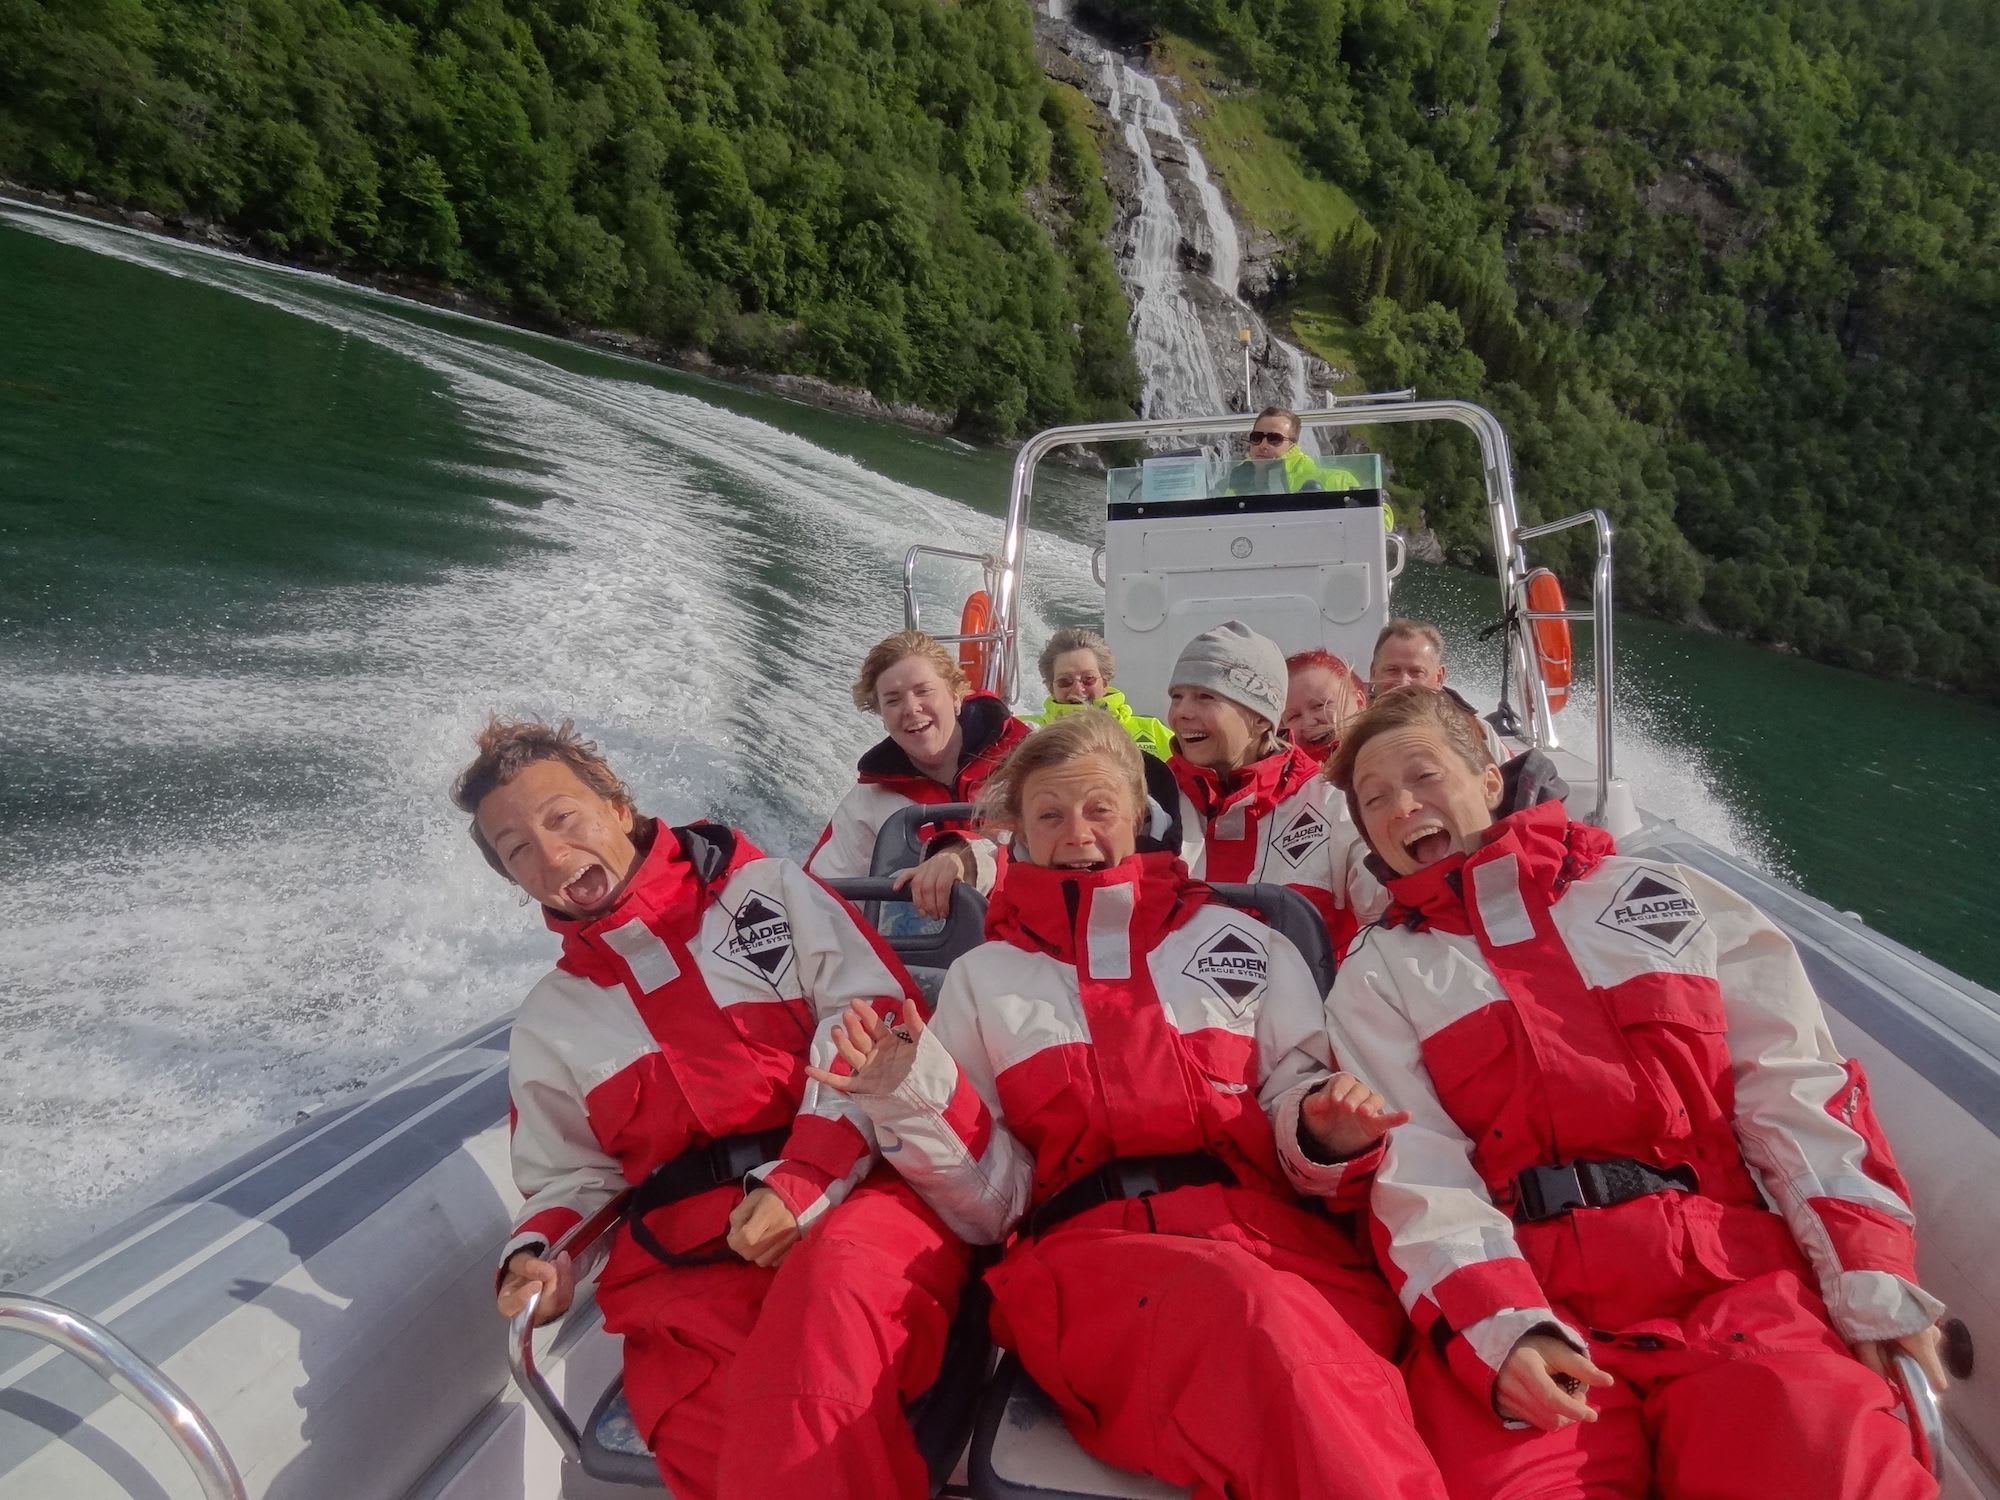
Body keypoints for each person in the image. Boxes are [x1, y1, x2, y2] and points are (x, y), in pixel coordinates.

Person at [1320, 688, 1946, 1500]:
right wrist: (1502, 1331)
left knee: (1829, 1465)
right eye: (1375, 801)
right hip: (1534, 1299)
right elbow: (1421, 1174)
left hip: (1737, 1284)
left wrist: (1867, 1280)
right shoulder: (1378, 976)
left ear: (1488, 774)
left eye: (1423, 776)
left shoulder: (1664, 896)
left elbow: (1795, 1091)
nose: (1403, 806)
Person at [807, 712, 1450, 1500]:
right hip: (1091, 1270)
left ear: (1140, 821)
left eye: (1099, 809)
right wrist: (910, 1096)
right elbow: (995, 1202)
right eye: (1050, 814)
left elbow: (1292, 1093)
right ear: (1021, 836)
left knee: (1310, 1361)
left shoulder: (1244, 943)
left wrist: (1324, 1131)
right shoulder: (986, 978)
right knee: (1266, 1334)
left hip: (1277, 1248)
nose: (1077, 832)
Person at [458, 717, 969, 1500]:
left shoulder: (767, 894)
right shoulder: (551, 1021)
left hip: (858, 1206)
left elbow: (876, 1027)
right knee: (719, 1441)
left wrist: (801, 1181)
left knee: (810, 1391)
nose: (552, 854)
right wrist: (542, 1257)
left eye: (562, 818)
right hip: (686, 1273)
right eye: (518, 849)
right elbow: (576, 1180)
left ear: (617, 806)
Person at [1163, 620, 1382, 952]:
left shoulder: (1334, 804)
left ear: (1262, 718)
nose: (1181, 713)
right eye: (1176, 696)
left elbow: (1388, 913)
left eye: (1205, 696)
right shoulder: (1152, 805)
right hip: (1174, 1004)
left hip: (1312, 1001)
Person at [807, 629, 1032, 917]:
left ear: (955, 696)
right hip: (923, 957)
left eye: (923, 691)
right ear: (882, 716)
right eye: (893, 700)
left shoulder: (1028, 763)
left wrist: (967, 858)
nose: (911, 708)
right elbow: (822, 898)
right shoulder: (868, 802)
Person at [1368, 618, 1509, 764]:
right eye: (1392, 670)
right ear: (1373, 672)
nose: (1403, 682)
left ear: (1439, 678)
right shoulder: (1348, 733)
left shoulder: (1478, 734)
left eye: (1416, 672)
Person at [1024, 626, 1173, 759]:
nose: (1078, 689)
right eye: (1065, 681)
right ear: (1051, 687)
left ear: (1105, 681)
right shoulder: (1025, 731)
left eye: (1088, 679)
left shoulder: (1153, 732)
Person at [1283, 646, 1367, 764]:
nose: (1308, 722)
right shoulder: (1279, 778)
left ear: (1359, 702)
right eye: (1294, 716)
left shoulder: (1393, 755)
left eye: (1319, 705)